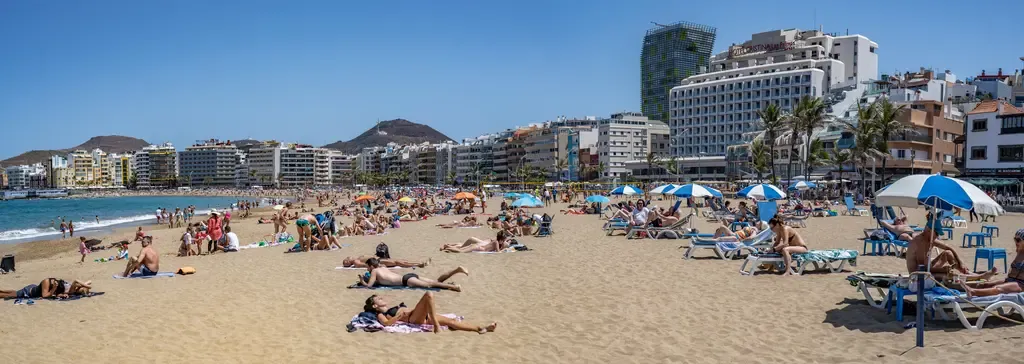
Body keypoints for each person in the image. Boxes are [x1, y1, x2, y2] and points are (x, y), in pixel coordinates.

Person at [364, 292, 496, 334]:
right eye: (379, 299)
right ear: (375, 306)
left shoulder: (388, 308)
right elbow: (386, 323)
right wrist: (399, 316)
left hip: (422, 316)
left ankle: (480, 328)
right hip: (412, 318)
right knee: (428, 295)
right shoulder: (380, 314)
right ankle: (437, 326)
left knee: (452, 322)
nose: (382, 299)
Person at [961, 229, 1024, 298]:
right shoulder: (1019, 251)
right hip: (1010, 280)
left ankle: (972, 292)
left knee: (998, 288)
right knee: (984, 284)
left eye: (1018, 240)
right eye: (1015, 239)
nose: (1015, 242)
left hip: (1021, 284)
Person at [905, 213, 969, 280]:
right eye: (937, 233)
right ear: (929, 231)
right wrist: (942, 270)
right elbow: (923, 269)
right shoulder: (919, 242)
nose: (938, 236)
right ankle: (967, 277)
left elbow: (949, 248)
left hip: (928, 268)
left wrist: (961, 263)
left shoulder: (930, 239)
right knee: (948, 276)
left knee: (948, 253)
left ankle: (965, 271)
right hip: (917, 275)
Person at [359, 257, 464, 292]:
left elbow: (369, 286)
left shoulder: (374, 271)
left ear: (371, 266)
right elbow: (385, 279)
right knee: (436, 282)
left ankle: (454, 287)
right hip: (408, 276)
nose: (367, 269)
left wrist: (362, 281)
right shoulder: (383, 267)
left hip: (406, 281)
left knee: (429, 285)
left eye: (367, 267)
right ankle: (456, 270)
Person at [0, 278, 92, 299]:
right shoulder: (46, 281)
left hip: (33, 288)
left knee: (15, 292)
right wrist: (53, 289)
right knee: (13, 295)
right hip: (29, 292)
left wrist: (62, 295)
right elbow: (44, 295)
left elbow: (56, 294)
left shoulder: (58, 287)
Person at [441, 230, 510, 253]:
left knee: (460, 249)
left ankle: (448, 248)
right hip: (478, 248)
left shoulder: (495, 241)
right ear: (501, 239)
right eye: (503, 240)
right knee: (461, 251)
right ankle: (447, 248)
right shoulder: (496, 242)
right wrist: (505, 250)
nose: (504, 242)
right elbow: (498, 252)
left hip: (477, 246)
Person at [342, 255, 429, 269]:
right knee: (397, 262)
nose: (349, 257)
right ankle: (418, 265)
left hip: (379, 259)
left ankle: (418, 263)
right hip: (379, 261)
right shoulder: (356, 262)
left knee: (400, 261)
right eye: (347, 259)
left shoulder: (356, 259)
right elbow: (366, 265)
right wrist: (379, 265)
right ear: (348, 262)